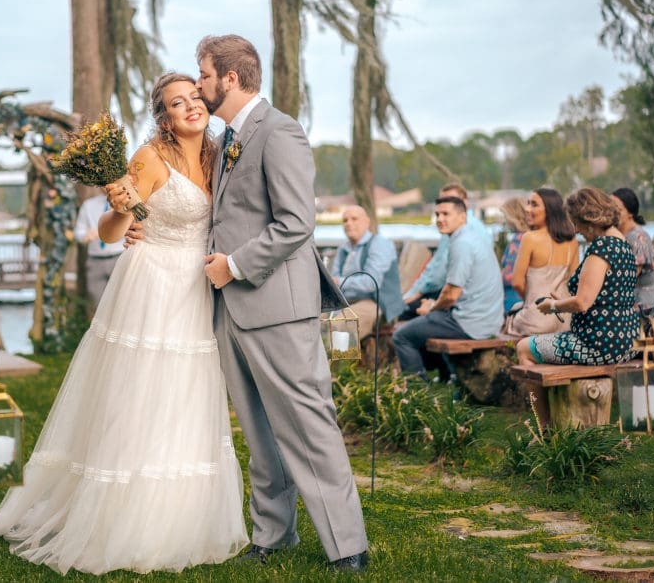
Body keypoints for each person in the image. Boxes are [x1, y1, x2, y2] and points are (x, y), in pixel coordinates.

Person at [0, 72, 247, 575]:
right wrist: (120, 209)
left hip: (197, 287)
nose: (191, 106)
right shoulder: (150, 158)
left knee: (187, 392)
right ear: (165, 118)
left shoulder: (221, 156)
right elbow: (110, 232)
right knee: (141, 394)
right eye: (178, 103)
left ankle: (181, 516)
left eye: (195, 97)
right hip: (151, 283)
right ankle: (123, 518)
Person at [196, 34, 368, 572]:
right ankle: (273, 535)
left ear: (229, 78)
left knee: (308, 425)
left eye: (203, 74)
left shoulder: (281, 131)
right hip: (233, 309)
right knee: (257, 428)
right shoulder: (226, 138)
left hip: (277, 306)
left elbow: (297, 222)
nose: (197, 83)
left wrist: (235, 265)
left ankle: (348, 547)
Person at [516, 187, 640, 419]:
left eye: (577, 223)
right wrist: (563, 301)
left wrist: (552, 306)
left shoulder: (601, 248)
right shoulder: (623, 244)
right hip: (625, 341)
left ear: (589, 220)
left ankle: (544, 428)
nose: (577, 230)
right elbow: (606, 296)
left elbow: (583, 302)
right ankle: (558, 412)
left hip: (597, 344)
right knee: (545, 345)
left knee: (524, 348)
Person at [391, 196, 504, 381]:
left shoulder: (462, 244)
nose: (440, 219)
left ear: (462, 217)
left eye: (446, 214)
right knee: (422, 321)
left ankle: (418, 394)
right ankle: (447, 376)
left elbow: (451, 295)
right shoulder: (472, 236)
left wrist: (432, 307)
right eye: (437, 214)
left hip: (471, 323)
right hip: (487, 319)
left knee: (401, 336)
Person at [401, 182, 487, 319]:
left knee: (404, 312)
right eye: (442, 201)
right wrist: (413, 292)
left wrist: (416, 293)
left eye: (451, 200)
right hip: (462, 294)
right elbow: (435, 265)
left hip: (465, 299)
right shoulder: (469, 225)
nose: (445, 204)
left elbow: (439, 275)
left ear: (465, 203)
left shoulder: (463, 228)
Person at [503, 188, 579, 337]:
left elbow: (517, 283)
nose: (527, 209)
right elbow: (574, 282)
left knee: (509, 320)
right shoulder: (572, 241)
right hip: (565, 320)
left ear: (550, 210)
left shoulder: (529, 238)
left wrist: (530, 303)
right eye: (528, 204)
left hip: (537, 319)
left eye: (534, 205)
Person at [330, 204, 404, 340]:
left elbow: (371, 283)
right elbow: (333, 282)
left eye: (354, 219)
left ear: (367, 222)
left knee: (340, 325)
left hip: (378, 303)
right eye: (345, 220)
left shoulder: (379, 244)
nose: (349, 223)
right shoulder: (343, 249)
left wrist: (339, 281)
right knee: (313, 321)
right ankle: (319, 360)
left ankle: (341, 361)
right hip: (347, 301)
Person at [73, 193, 126, 304]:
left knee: (121, 302)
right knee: (99, 305)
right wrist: (85, 235)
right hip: (95, 261)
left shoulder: (125, 203)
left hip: (119, 258)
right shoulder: (88, 205)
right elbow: (78, 232)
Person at [612, 187, 654, 312]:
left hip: (642, 307)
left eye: (618, 210)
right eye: (610, 209)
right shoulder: (621, 236)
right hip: (627, 305)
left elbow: (629, 276)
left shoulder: (637, 237)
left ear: (630, 212)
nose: (612, 213)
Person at [499, 197, 528, 312]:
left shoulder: (518, 240)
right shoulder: (531, 236)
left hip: (513, 297)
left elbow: (509, 275)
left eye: (506, 216)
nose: (505, 220)